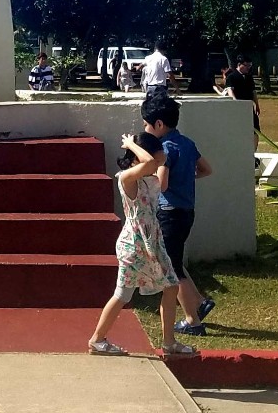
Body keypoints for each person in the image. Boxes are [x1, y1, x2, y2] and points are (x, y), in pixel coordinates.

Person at [88, 127, 196, 361]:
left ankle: (169, 342)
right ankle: (97, 339)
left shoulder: (151, 179)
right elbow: (147, 162)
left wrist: (154, 157)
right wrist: (131, 143)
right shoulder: (126, 178)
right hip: (134, 245)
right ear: (138, 157)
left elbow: (157, 173)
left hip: (152, 241)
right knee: (123, 294)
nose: (161, 159)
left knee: (171, 286)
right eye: (156, 155)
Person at [135, 90, 214, 334]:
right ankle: (199, 302)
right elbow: (206, 169)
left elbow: (163, 183)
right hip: (186, 211)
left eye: (147, 124)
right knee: (175, 261)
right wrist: (186, 179)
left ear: (158, 124)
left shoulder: (165, 149)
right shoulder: (187, 143)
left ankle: (193, 320)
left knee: (170, 268)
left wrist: (145, 172)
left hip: (169, 213)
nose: (145, 128)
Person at [220, 62, 261, 136]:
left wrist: (256, 105)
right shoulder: (231, 77)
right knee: (239, 130)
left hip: (249, 107)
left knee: (255, 131)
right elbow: (230, 91)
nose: (248, 67)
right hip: (238, 108)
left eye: (250, 66)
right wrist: (236, 104)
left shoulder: (249, 77)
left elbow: (253, 92)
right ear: (239, 65)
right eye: (246, 65)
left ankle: (253, 147)